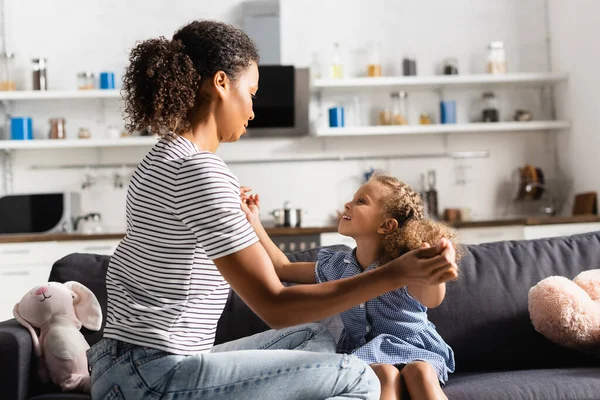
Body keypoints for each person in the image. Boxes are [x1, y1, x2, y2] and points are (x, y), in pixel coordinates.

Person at [86, 20, 459, 400]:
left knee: (311, 336)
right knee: (360, 377)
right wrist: (396, 272)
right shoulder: (201, 169)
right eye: (250, 92)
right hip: (152, 377)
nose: (252, 109)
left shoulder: (161, 157)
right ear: (220, 84)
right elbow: (275, 305)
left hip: (122, 365)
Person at [241, 173, 463, 400]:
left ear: (386, 225)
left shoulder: (404, 265)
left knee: (420, 372)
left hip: (414, 348)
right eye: (354, 198)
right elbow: (282, 267)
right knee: (383, 374)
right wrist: (254, 221)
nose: (347, 204)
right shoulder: (336, 266)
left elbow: (432, 298)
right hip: (365, 354)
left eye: (361, 201)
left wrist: (434, 267)